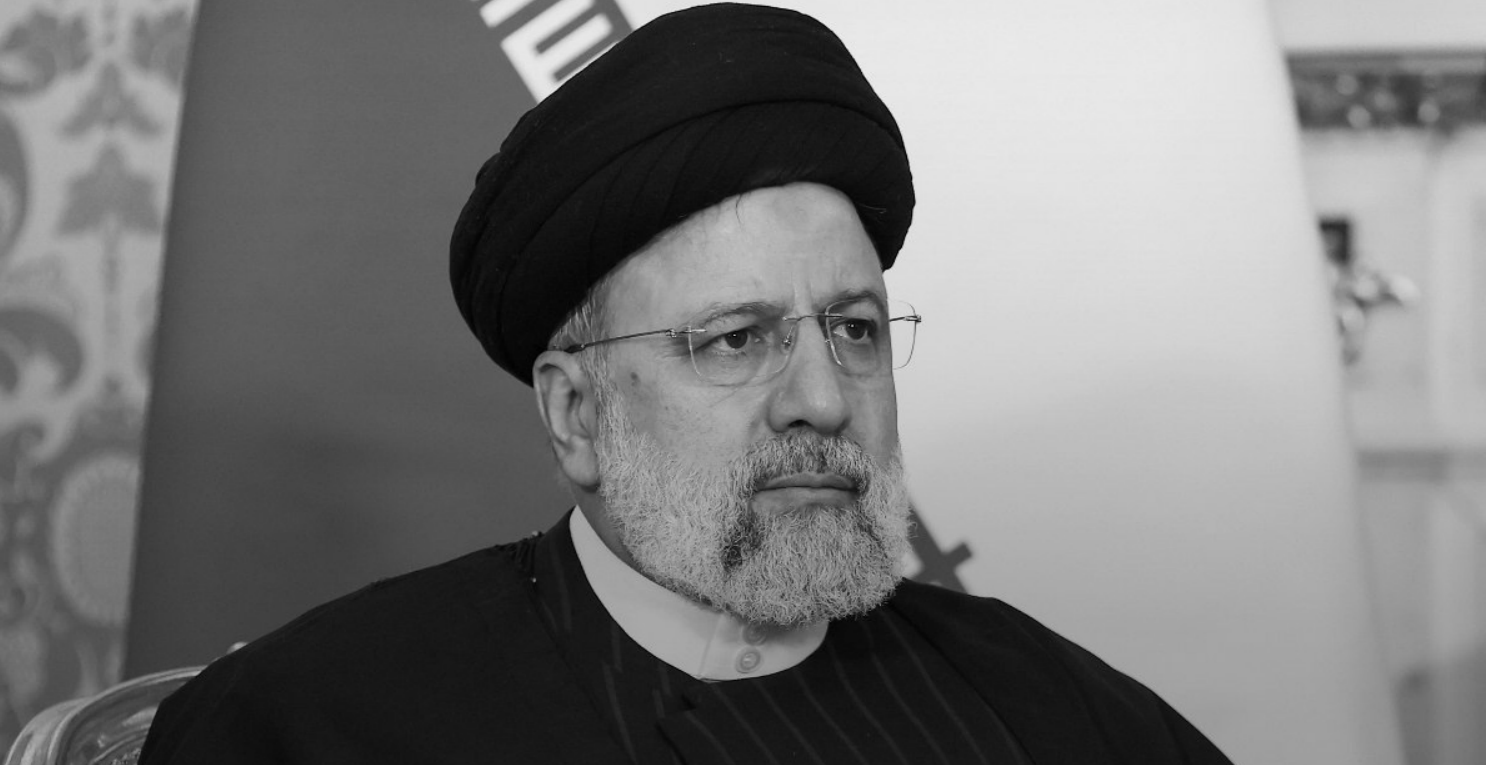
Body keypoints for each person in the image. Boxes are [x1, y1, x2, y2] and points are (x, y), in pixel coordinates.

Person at [140, 4, 1234, 763]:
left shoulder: (1044, 707)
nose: (823, 398)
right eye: (736, 340)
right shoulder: (315, 723)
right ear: (576, 413)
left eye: (854, 329)